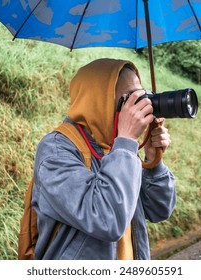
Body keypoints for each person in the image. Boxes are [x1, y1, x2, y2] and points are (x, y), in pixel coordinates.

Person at [32, 58, 176, 260]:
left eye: (139, 95)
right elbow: (107, 220)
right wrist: (126, 142)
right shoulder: (56, 151)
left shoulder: (118, 147)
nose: (138, 106)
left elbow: (159, 210)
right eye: (129, 99)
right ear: (97, 101)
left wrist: (153, 163)